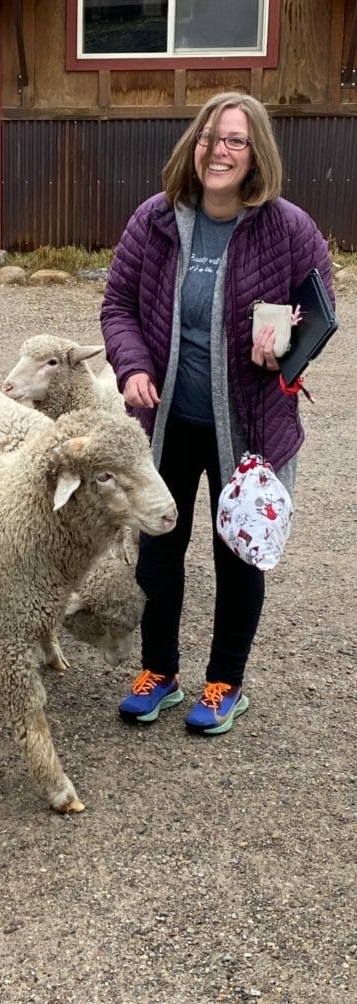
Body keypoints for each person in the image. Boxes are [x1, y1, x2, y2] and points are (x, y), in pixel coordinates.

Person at [100, 91, 334, 735]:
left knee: (239, 557)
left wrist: (286, 343)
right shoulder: (155, 220)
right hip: (168, 421)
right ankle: (160, 673)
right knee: (158, 552)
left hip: (253, 429)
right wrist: (134, 367)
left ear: (256, 153)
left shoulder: (290, 228)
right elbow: (118, 304)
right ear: (193, 145)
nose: (219, 151)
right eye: (209, 137)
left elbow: (320, 312)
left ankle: (225, 684)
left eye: (234, 140)